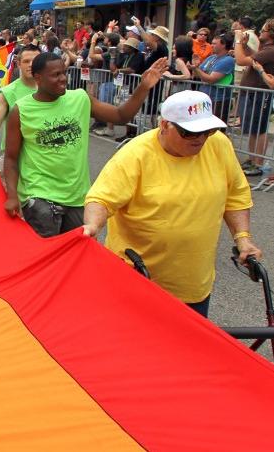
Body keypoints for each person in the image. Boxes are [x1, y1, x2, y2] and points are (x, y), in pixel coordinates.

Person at [83, 90, 260, 317]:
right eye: (189, 132)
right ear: (165, 125)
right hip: (138, 280)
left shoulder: (218, 145)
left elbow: (236, 195)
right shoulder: (136, 154)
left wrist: (243, 240)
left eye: (208, 130)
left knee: (188, 349)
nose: (201, 138)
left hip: (193, 285)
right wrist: (93, 226)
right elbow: (101, 198)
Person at [3, 53, 168, 238]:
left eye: (64, 73)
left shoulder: (80, 98)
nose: (63, 78)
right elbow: (11, 157)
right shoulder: (21, 110)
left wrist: (143, 87)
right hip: (40, 196)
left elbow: (121, 116)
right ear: (38, 78)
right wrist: (12, 196)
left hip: (77, 196)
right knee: (49, 259)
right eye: (56, 75)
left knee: (79, 254)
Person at [235, 18, 274, 176]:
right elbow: (255, 58)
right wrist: (244, 46)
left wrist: (238, 42)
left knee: (259, 129)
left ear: (271, 33)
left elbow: (241, 60)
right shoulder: (270, 47)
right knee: (253, 129)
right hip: (253, 92)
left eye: (263, 30)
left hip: (260, 93)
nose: (260, 32)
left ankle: (258, 163)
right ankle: (252, 160)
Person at [0, 45, 41, 142]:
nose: (31, 64)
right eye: (26, 61)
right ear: (18, 64)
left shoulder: (50, 88)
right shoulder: (7, 93)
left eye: (35, 61)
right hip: (15, 154)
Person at [189, 33, 236, 123]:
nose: (211, 45)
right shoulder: (211, 57)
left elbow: (211, 79)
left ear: (223, 45)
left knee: (215, 128)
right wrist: (195, 66)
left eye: (214, 43)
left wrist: (196, 69)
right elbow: (197, 75)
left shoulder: (228, 60)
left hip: (218, 99)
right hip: (204, 97)